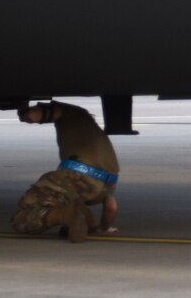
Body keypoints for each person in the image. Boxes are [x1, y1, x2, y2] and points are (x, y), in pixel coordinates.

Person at [10, 101, 120, 242]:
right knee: (72, 196)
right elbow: (111, 207)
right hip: (101, 187)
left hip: (72, 177)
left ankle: (64, 216)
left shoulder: (70, 113)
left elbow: (34, 115)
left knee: (21, 217)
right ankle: (85, 217)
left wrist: (24, 111)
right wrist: (104, 227)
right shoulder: (95, 134)